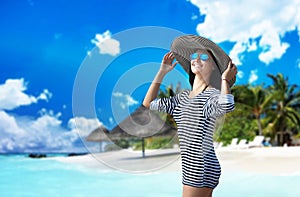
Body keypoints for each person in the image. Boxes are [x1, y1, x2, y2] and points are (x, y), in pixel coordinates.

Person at [143, 35, 237, 197]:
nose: (196, 59)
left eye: (204, 57)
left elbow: (226, 105)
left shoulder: (211, 95)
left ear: (214, 66)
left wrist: (224, 80)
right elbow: (148, 103)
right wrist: (162, 72)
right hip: (195, 167)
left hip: (198, 168)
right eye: (194, 56)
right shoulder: (182, 98)